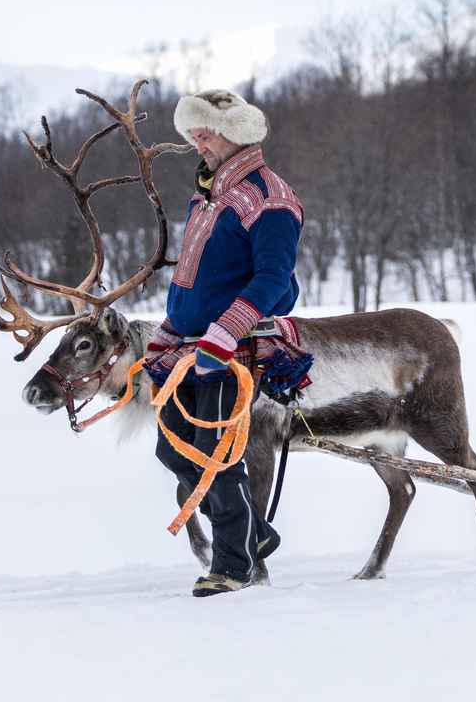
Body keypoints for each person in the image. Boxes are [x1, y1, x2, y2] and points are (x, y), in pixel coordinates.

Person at [147, 89, 303, 597]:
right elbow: (193, 280)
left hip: (231, 350)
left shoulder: (271, 198)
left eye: (205, 132)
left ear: (237, 133)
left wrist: (225, 332)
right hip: (186, 346)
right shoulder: (207, 194)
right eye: (192, 133)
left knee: (217, 456)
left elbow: (275, 279)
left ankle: (233, 565)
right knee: (173, 449)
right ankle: (255, 535)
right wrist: (168, 331)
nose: (197, 142)